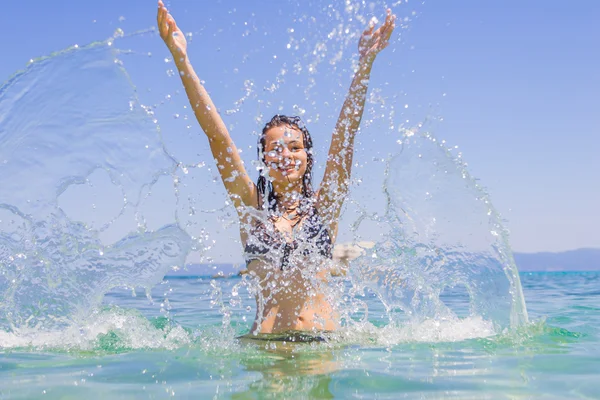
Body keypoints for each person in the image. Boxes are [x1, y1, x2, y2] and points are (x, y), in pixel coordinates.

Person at [157, 1, 395, 336]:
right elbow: (217, 137)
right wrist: (181, 59)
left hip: (321, 345)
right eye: (275, 149)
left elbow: (345, 139)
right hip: (265, 350)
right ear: (264, 160)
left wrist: (364, 66)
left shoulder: (324, 208)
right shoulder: (252, 209)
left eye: (295, 147)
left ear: (308, 157)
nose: (286, 154)